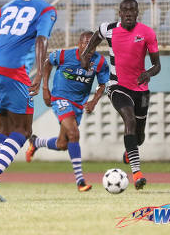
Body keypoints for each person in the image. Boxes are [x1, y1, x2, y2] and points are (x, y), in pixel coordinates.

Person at [0, 0, 57, 202]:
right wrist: (40, 73)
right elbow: (42, 39)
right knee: (23, 130)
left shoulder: (5, 8)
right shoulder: (46, 9)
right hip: (14, 71)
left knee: (4, 129)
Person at [81, 0, 161, 190]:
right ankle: (137, 174)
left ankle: (129, 151)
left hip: (140, 88)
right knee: (129, 120)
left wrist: (148, 73)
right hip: (116, 85)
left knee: (139, 137)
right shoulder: (108, 29)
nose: (128, 13)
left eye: (132, 11)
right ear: (119, 13)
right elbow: (94, 41)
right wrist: (86, 55)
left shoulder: (147, 33)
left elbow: (157, 65)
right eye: (124, 10)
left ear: (137, 13)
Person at [25, 31, 109, 192]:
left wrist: (94, 100)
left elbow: (102, 84)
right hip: (60, 98)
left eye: (92, 44)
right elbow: (48, 62)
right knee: (74, 133)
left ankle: (36, 142)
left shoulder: (99, 62)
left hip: (79, 104)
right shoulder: (65, 55)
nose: (88, 47)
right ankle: (80, 182)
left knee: (63, 144)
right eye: (85, 43)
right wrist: (45, 88)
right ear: (79, 43)